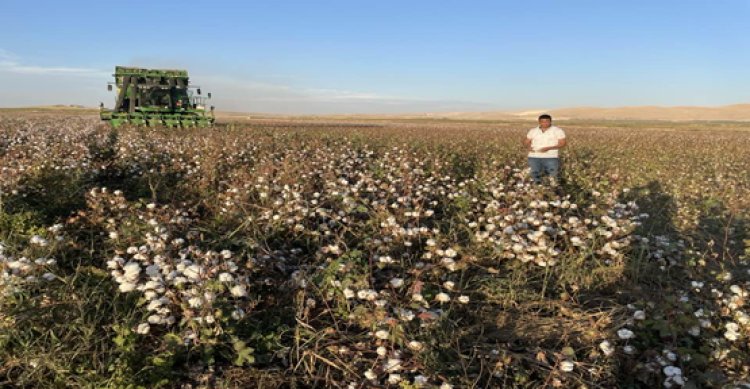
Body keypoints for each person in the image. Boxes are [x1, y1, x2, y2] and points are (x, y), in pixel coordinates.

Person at [523, 114, 566, 183]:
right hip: (534, 157)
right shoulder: (533, 131)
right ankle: (537, 189)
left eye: (547, 121)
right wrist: (528, 147)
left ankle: (552, 190)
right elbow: (526, 141)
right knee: (534, 175)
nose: (544, 123)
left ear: (550, 121)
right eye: (542, 121)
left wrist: (548, 148)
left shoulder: (557, 130)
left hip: (551, 157)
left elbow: (562, 143)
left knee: (552, 176)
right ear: (539, 122)